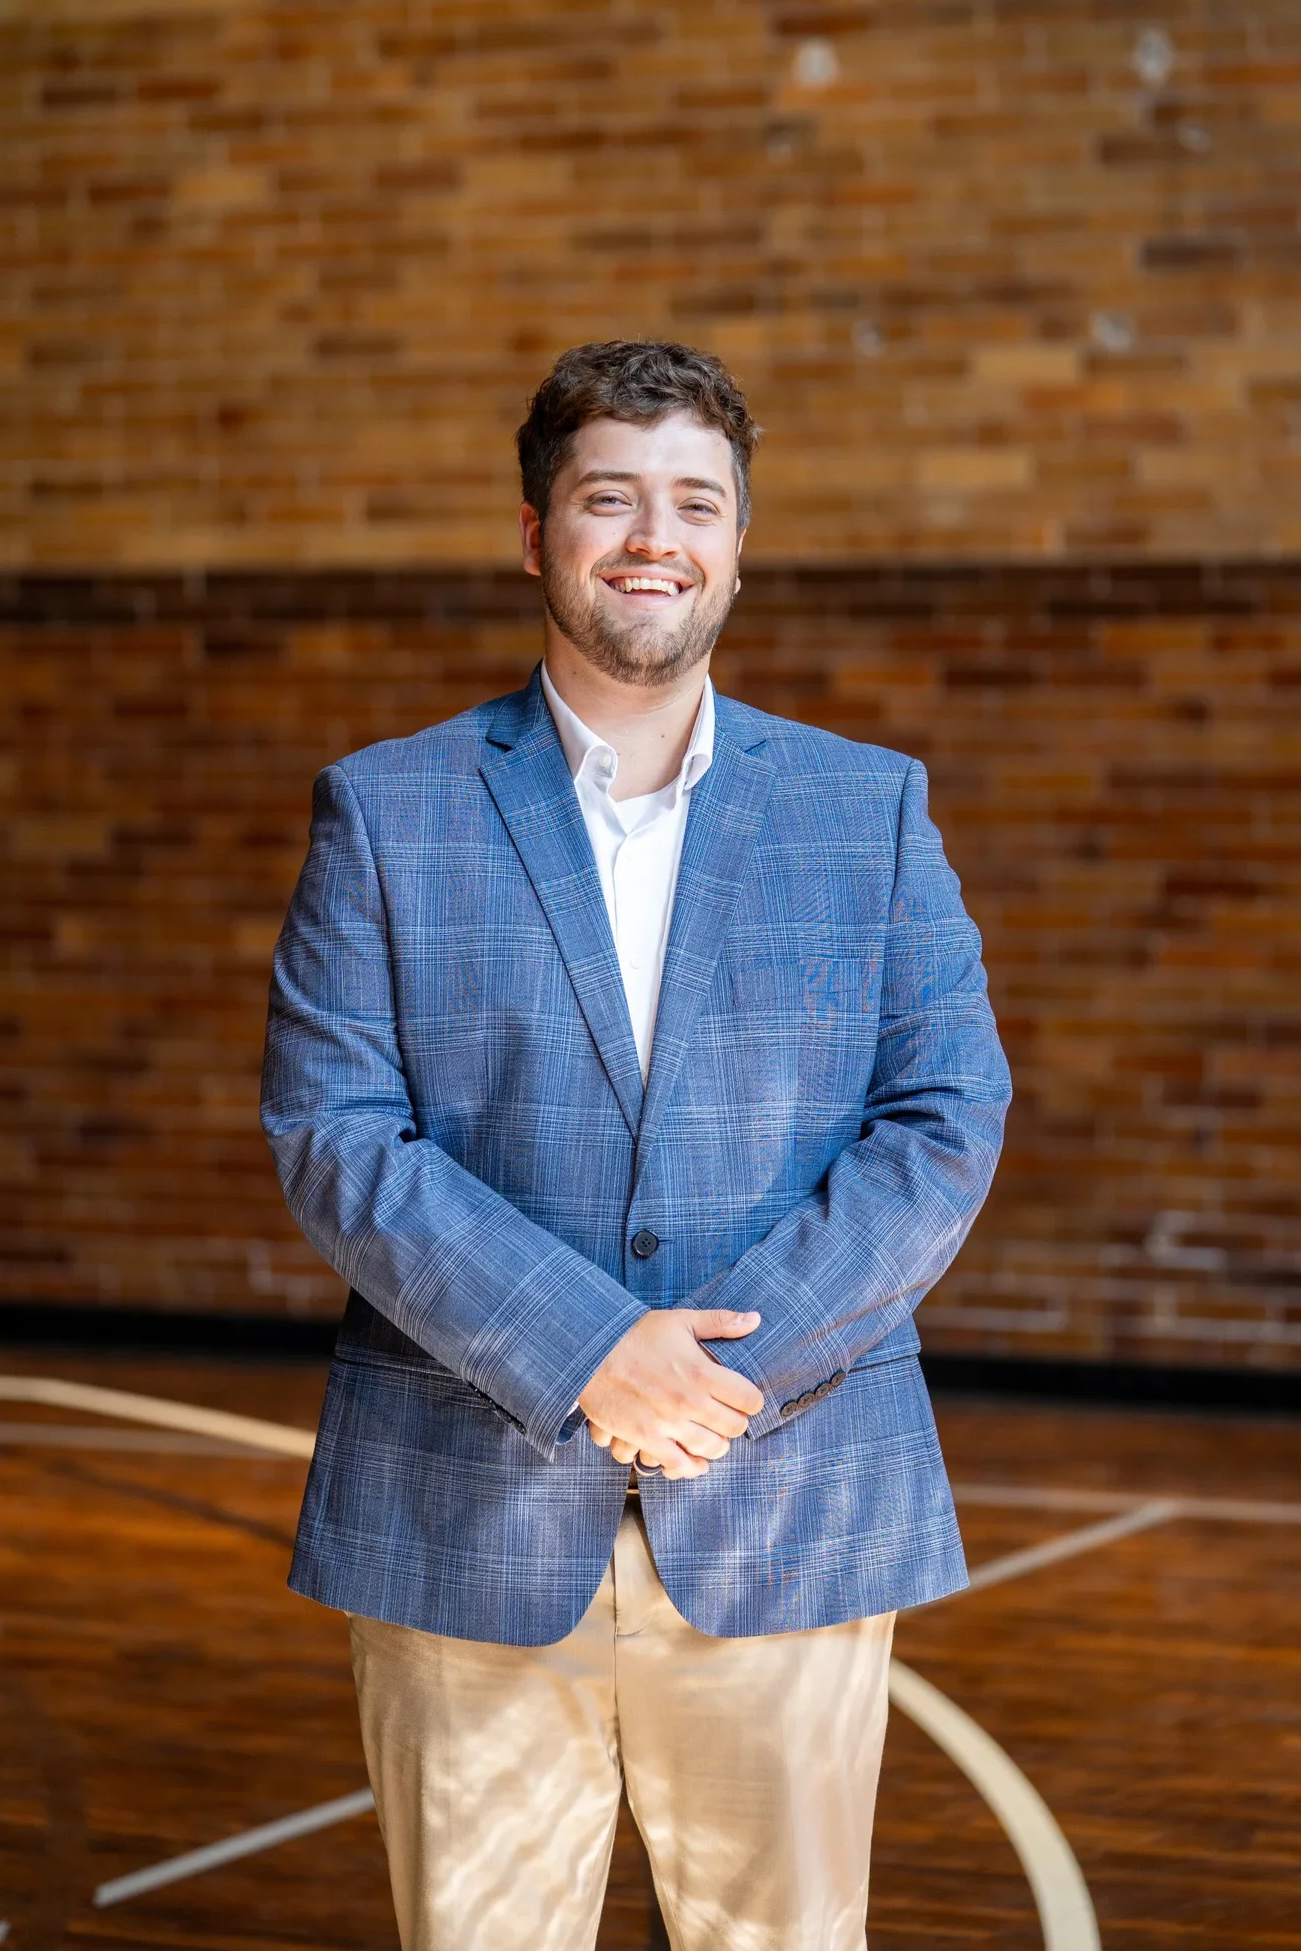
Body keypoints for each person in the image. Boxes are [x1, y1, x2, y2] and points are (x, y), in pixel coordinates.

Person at [261, 339, 1011, 1951]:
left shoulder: (868, 807)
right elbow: (337, 1136)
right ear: (537, 533)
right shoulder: (387, 810)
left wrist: (718, 1373)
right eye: (610, 497)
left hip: (787, 1501)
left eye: (695, 501)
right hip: (463, 1520)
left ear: (740, 542)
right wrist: (590, 1348)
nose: (653, 536)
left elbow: (946, 1119)